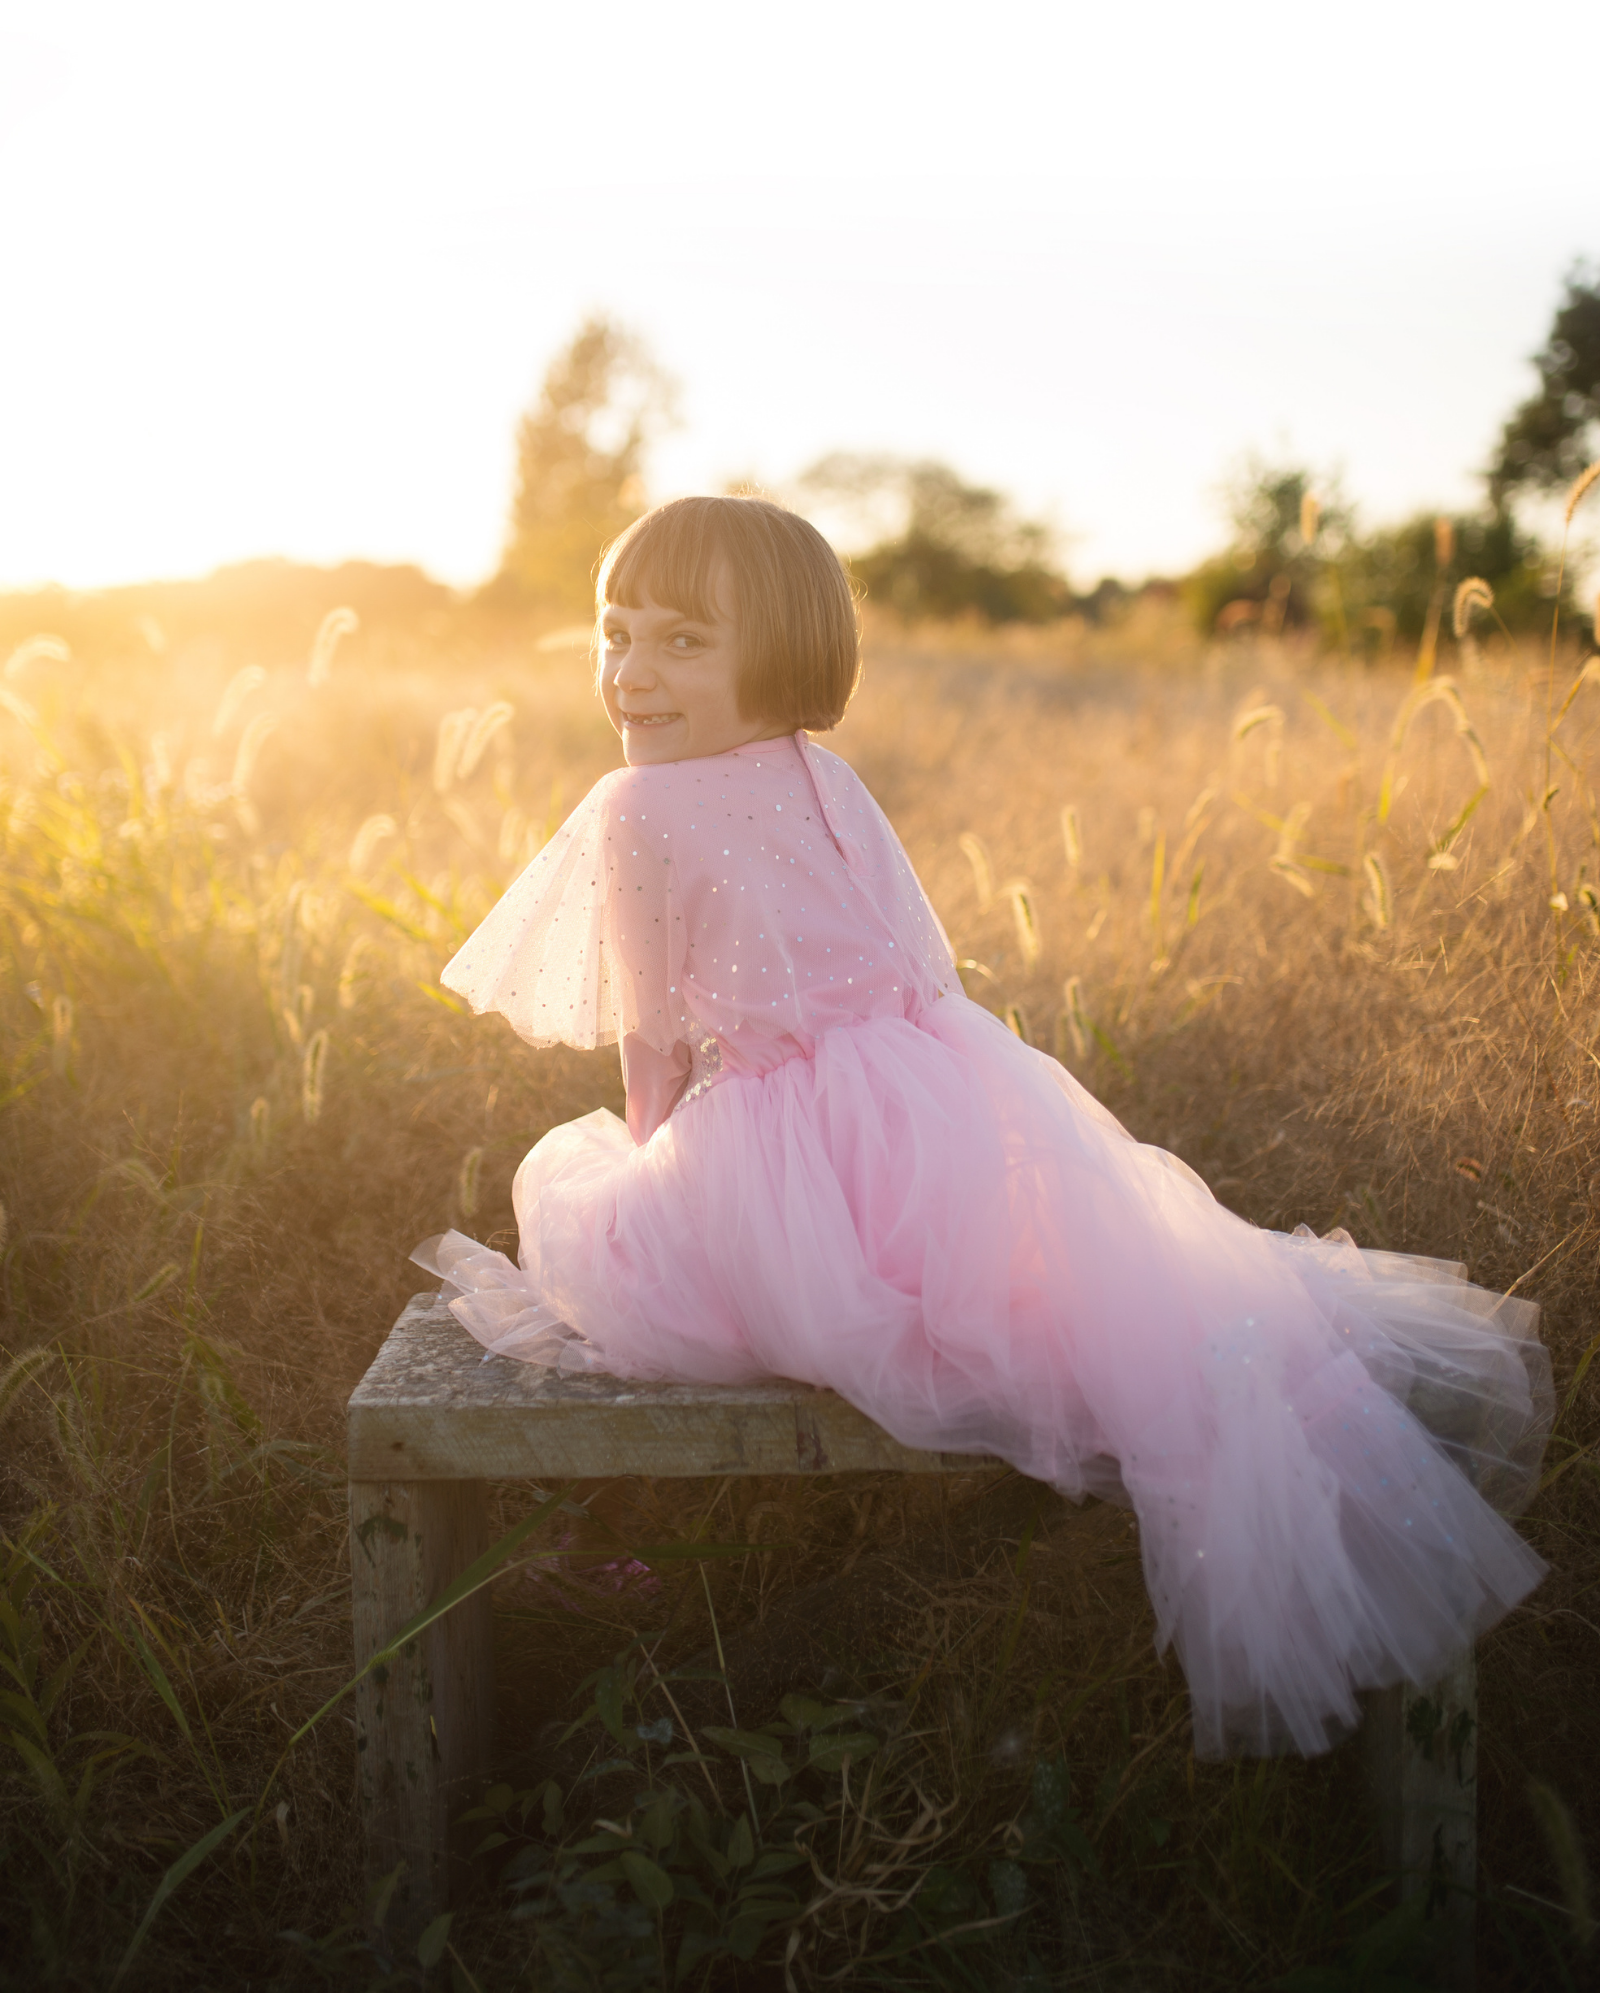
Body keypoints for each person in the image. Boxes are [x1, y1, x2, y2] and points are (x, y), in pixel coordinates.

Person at [414, 494, 1552, 1759]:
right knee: (1107, 1294)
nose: (632, 674)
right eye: (615, 634)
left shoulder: (634, 809)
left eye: (683, 640)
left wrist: (650, 1169)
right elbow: (922, 973)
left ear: (782, 646)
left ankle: (603, 1539)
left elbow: (653, 1047)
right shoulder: (828, 777)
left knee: (593, 1219)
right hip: (943, 1104)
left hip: (784, 1151)